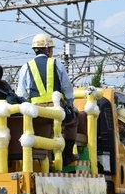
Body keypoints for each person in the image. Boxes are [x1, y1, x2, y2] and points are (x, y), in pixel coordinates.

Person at [15, 33, 79, 163]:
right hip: (56, 109)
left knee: (41, 136)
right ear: (47, 49)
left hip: (37, 110)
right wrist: (70, 104)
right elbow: (67, 89)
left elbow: (22, 94)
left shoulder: (26, 66)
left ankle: (45, 161)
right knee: (74, 120)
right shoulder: (56, 63)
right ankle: (67, 155)